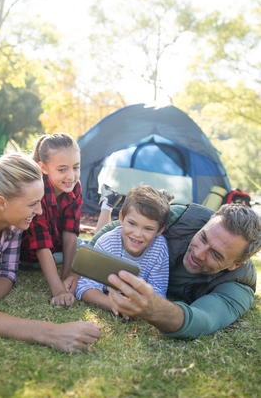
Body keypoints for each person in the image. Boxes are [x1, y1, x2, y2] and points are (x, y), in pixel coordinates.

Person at [0, 151, 101, 353]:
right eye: (32, 204)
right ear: (1, 202)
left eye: (40, 202)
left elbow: (7, 273)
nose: (40, 212)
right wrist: (50, 332)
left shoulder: (14, 222)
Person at [90, 202, 261, 339]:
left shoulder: (239, 285)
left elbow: (202, 319)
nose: (199, 253)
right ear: (206, 223)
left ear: (236, 264)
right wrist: (77, 270)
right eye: (203, 237)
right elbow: (113, 230)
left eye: (216, 254)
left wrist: (155, 309)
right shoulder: (181, 217)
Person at [76, 185, 170, 314]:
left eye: (148, 229)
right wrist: (116, 305)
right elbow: (85, 287)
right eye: (132, 223)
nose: (137, 234)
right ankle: (107, 204)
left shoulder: (159, 247)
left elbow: (158, 292)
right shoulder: (107, 242)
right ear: (121, 218)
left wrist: (138, 307)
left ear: (159, 230)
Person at [20, 133, 82, 306]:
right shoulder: (36, 191)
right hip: (29, 256)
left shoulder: (74, 187)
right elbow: (41, 246)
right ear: (44, 168)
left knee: (81, 245)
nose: (71, 176)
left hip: (55, 248)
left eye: (75, 167)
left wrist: (67, 276)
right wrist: (59, 291)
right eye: (62, 169)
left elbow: (70, 233)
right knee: (81, 248)